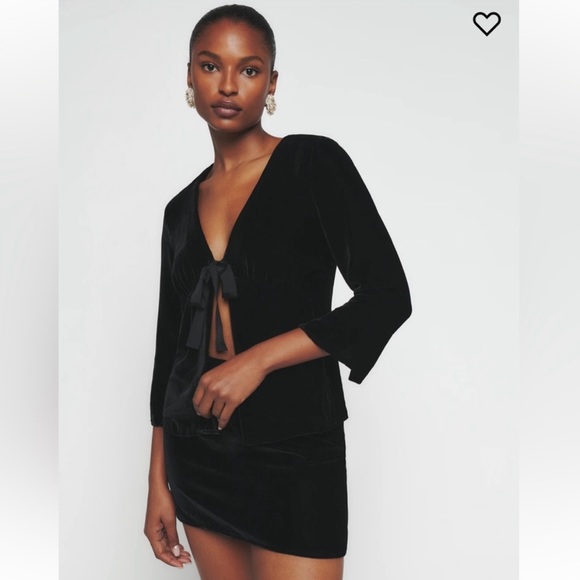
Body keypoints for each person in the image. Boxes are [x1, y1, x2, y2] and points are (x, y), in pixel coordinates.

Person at [144, 5, 412, 579]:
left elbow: (388, 295)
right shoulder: (178, 211)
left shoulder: (312, 163)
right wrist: (157, 484)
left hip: (296, 448)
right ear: (189, 75)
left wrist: (258, 361)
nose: (228, 85)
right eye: (211, 66)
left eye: (249, 69)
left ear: (271, 83)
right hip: (198, 454)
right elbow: (169, 351)